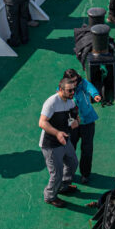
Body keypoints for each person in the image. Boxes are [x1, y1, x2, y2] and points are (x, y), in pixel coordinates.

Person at [38, 77, 80, 208]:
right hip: (51, 145)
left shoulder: (70, 101)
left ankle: (63, 186)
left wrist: (75, 121)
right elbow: (42, 122)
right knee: (56, 174)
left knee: (72, 163)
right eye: (69, 90)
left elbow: (72, 116)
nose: (72, 92)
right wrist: (57, 133)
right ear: (61, 90)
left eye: (74, 90)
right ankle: (50, 196)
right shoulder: (52, 102)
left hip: (64, 140)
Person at [63, 68, 102, 184]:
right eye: (72, 81)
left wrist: (95, 95)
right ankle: (67, 174)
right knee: (70, 149)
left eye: (76, 80)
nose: (75, 83)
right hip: (72, 123)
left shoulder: (82, 83)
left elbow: (89, 87)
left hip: (87, 121)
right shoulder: (63, 89)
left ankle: (85, 174)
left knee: (87, 149)